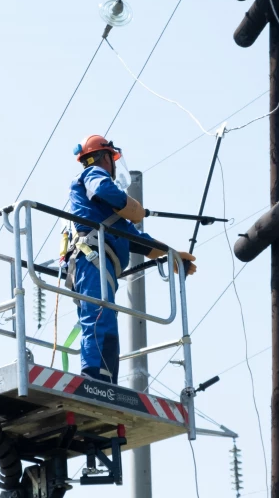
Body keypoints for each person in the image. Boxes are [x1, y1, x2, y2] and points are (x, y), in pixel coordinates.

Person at [64, 134, 196, 385]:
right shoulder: (91, 174)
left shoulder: (109, 219)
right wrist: (131, 205)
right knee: (99, 317)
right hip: (91, 259)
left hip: (97, 263)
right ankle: (95, 376)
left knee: (106, 320)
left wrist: (173, 257)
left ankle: (106, 379)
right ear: (105, 158)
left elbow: (140, 241)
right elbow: (105, 189)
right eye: (112, 159)